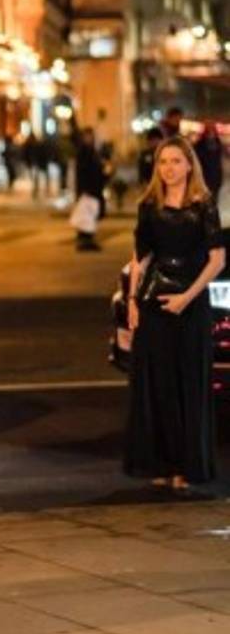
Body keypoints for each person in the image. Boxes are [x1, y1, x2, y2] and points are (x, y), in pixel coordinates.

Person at [125, 135, 224, 490]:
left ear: (189, 165)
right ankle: (162, 463)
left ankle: (187, 466)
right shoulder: (148, 205)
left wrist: (187, 297)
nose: (169, 168)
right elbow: (141, 258)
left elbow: (217, 260)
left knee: (188, 384)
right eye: (163, 162)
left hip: (191, 303)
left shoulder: (203, 204)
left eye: (176, 161)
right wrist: (133, 301)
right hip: (154, 302)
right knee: (159, 384)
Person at [74, 126, 106, 251]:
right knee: (86, 216)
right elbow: (82, 172)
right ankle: (85, 241)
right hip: (88, 190)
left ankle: (86, 240)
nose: (89, 138)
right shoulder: (83, 152)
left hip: (94, 188)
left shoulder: (93, 151)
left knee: (90, 215)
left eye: (91, 136)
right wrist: (82, 190)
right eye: (86, 136)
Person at [193, 121, 223, 198]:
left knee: (214, 197)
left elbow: (219, 160)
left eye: (212, 130)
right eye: (209, 131)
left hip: (216, 177)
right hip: (204, 176)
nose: (211, 133)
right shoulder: (199, 145)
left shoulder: (218, 143)